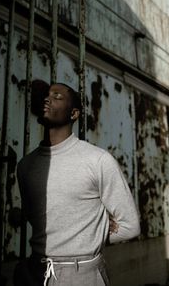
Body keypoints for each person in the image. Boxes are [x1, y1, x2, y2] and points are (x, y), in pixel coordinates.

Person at [14, 82, 140, 286]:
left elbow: (130, 226)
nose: (47, 99)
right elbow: (36, 217)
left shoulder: (98, 160)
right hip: (36, 270)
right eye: (46, 95)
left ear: (74, 114)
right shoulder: (25, 166)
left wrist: (91, 233)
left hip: (82, 273)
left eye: (57, 96)